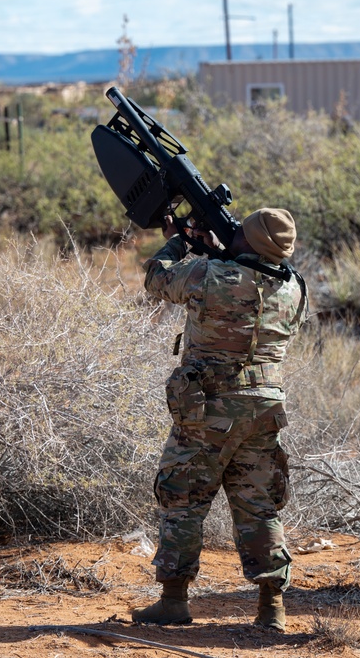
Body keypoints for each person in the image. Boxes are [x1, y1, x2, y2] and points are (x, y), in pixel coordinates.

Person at [131, 208, 308, 631]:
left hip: (208, 408)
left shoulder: (209, 275)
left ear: (249, 241)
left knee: (183, 498)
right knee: (259, 506)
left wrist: (177, 240)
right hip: (264, 409)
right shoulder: (294, 286)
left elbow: (157, 276)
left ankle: (173, 600)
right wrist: (214, 251)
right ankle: (272, 610)